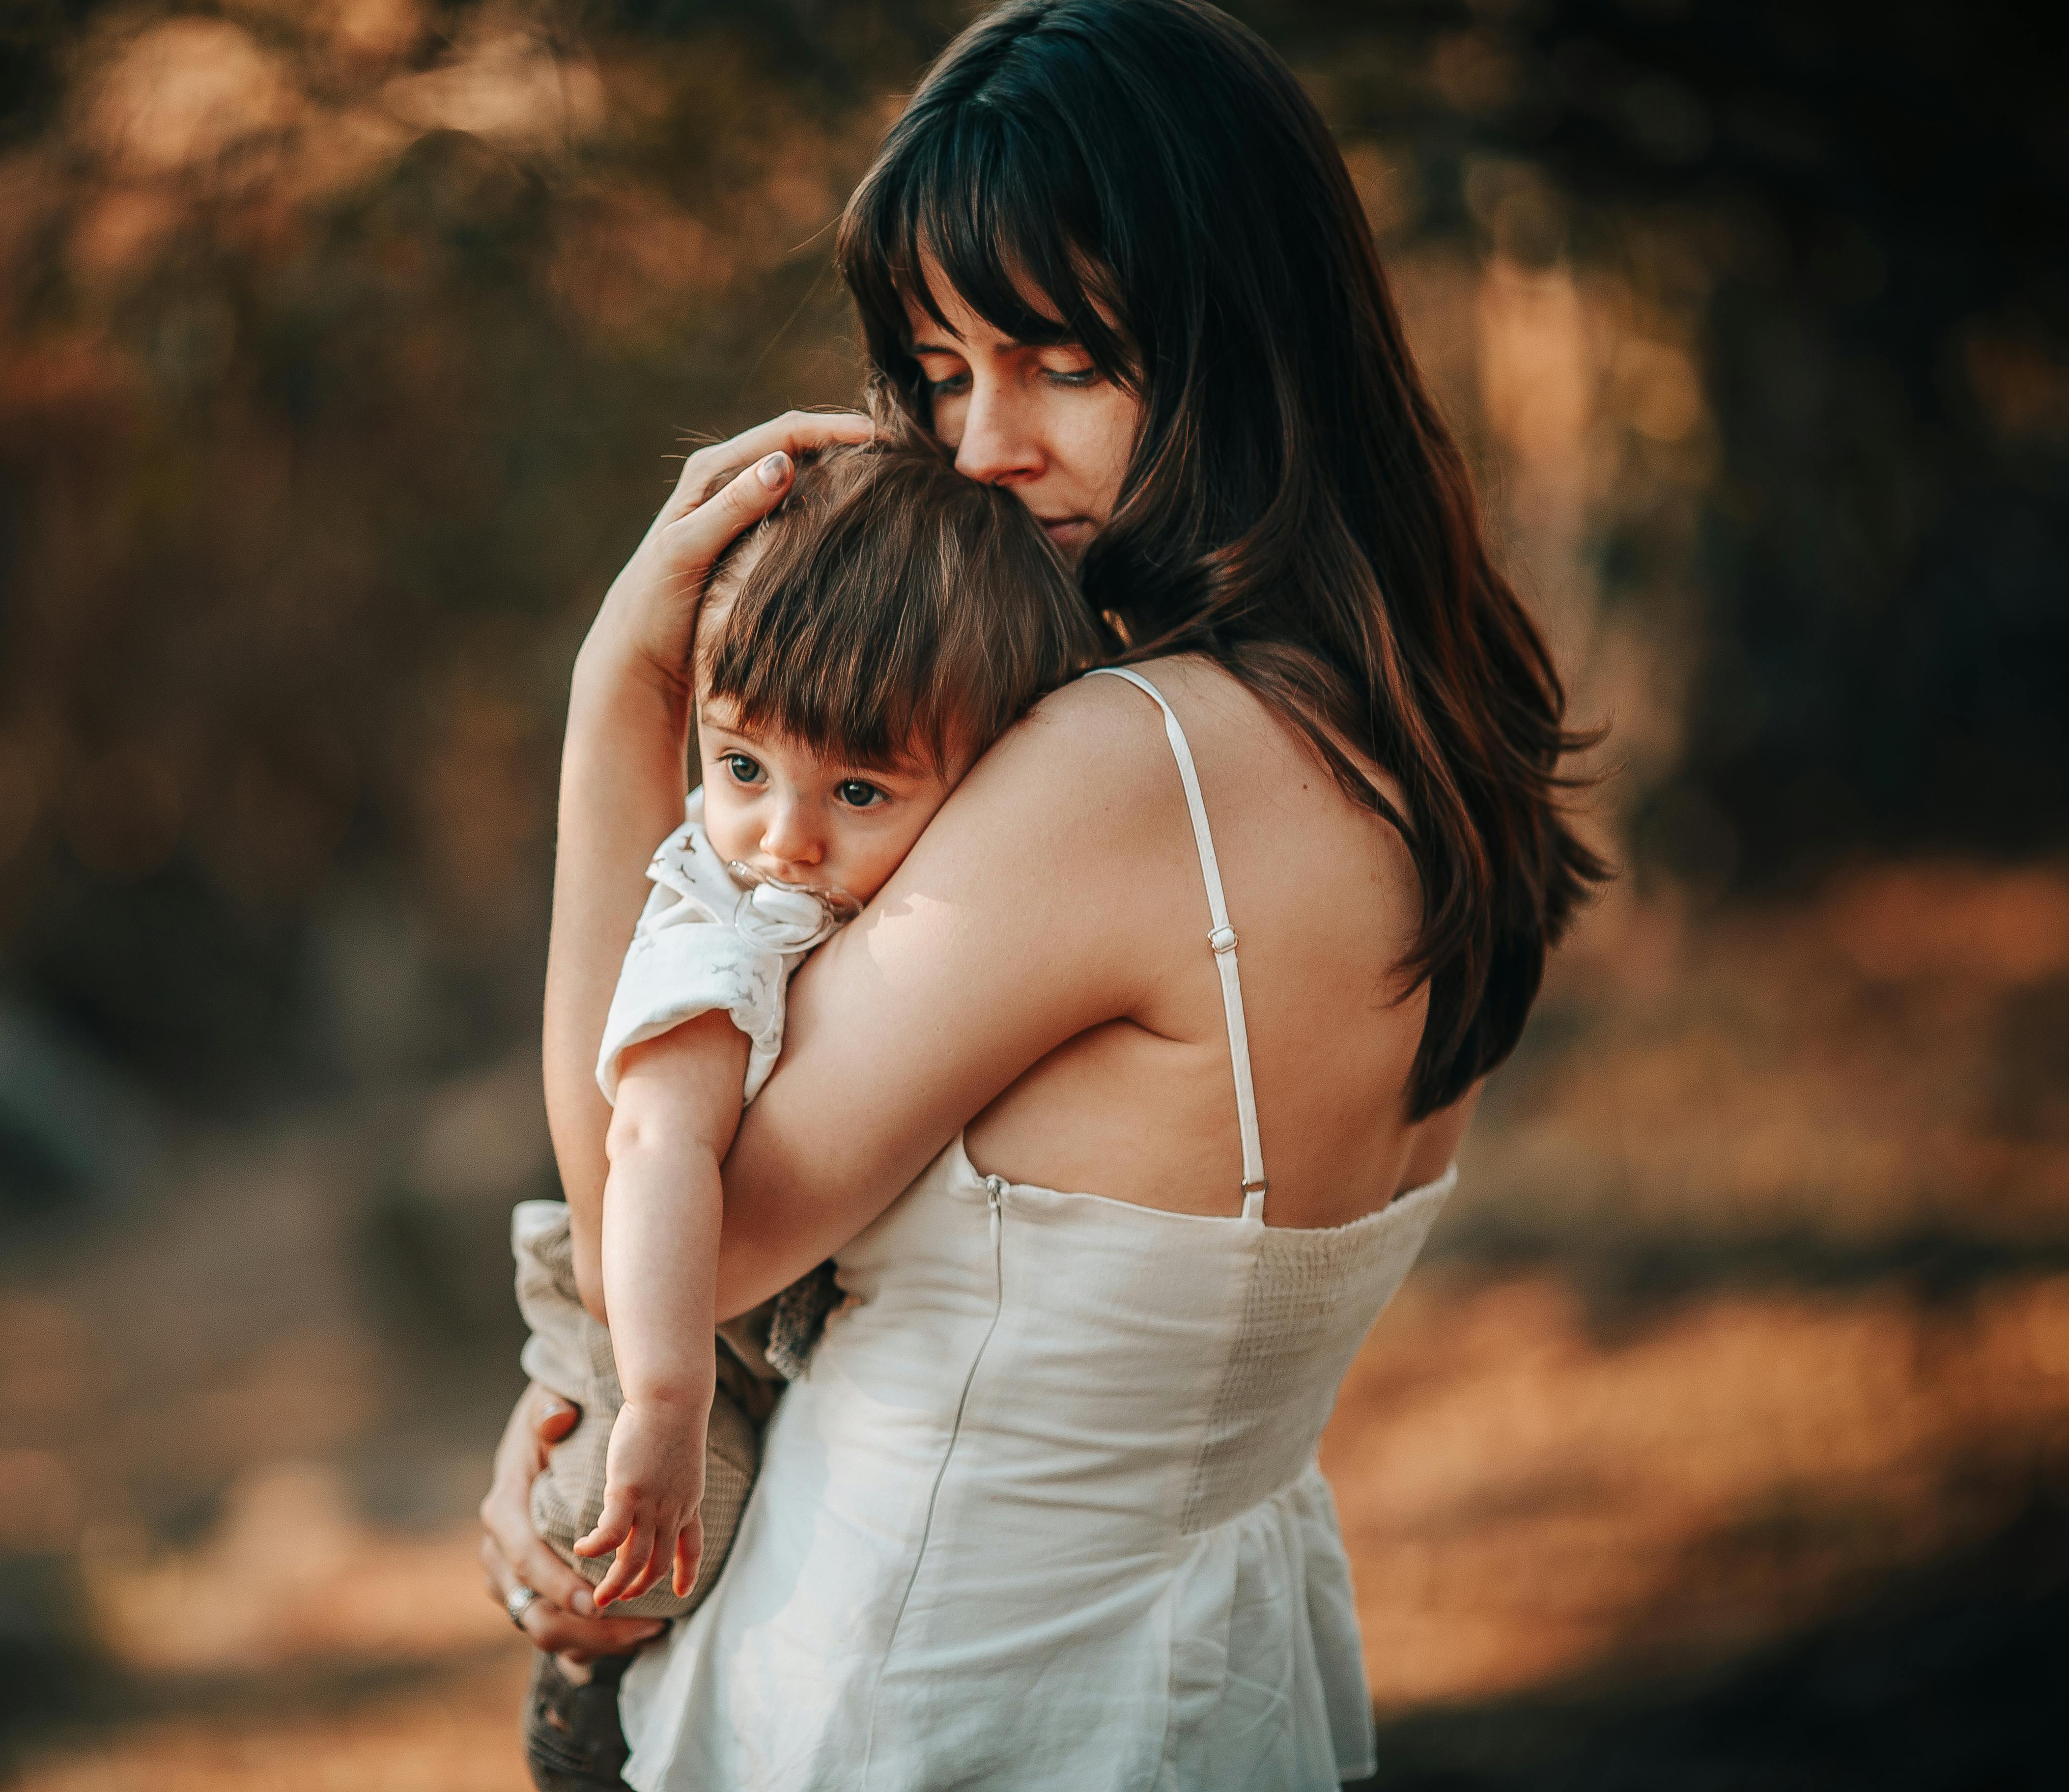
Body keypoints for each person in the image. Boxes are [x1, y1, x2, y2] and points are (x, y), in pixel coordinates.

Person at [484, 2, 1609, 1786]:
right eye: (939, 368)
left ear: (1246, 343)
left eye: (1065, 361)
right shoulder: (1428, 738)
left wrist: (617, 703)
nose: (982, 444)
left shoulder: (1126, 768)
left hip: (907, 1709)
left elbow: (671, 1224)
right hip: (1202, 1692)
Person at [512, 437, 1105, 1623]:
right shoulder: (729, 926)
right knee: (628, 1573)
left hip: (740, 1325)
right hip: (661, 1327)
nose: (784, 836)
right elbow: (654, 1151)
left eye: (859, 792)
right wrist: (664, 1405)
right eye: (739, 765)